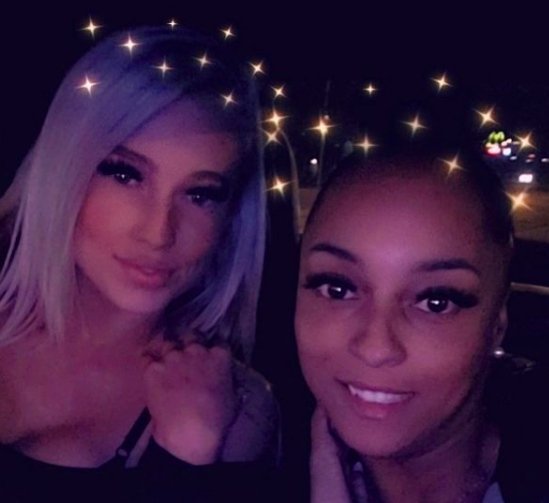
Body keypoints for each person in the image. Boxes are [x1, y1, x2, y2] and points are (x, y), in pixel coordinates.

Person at [0, 25, 278, 502]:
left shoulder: (235, 409)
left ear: (232, 217)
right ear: (66, 169)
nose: (157, 233)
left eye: (201, 195)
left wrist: (185, 459)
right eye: (126, 174)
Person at [295, 151, 548, 502]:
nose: (376, 348)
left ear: (496, 325)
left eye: (436, 302)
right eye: (338, 289)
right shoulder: (254, 455)